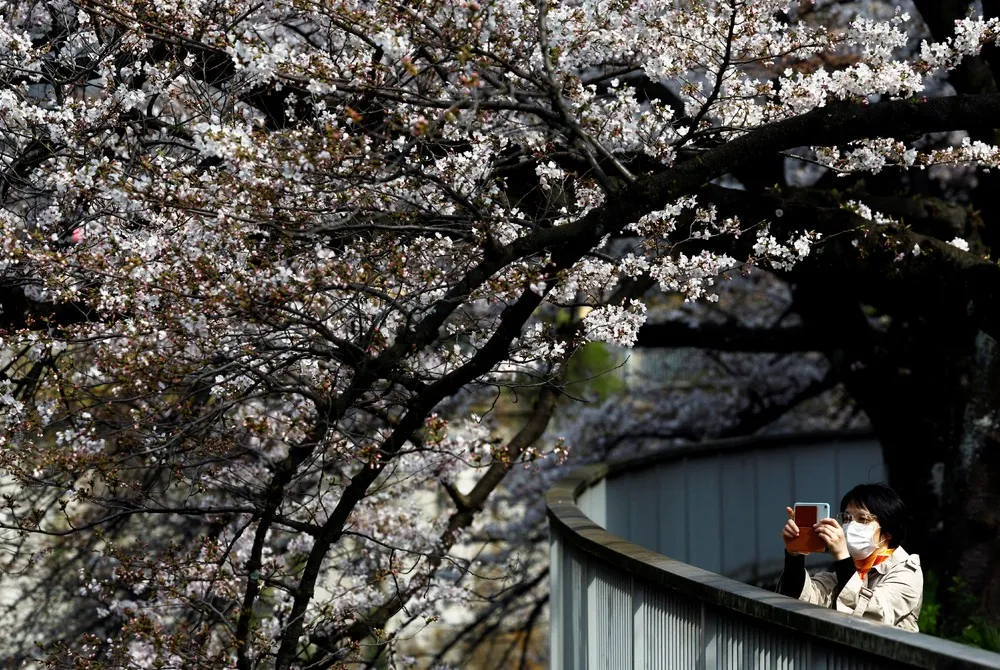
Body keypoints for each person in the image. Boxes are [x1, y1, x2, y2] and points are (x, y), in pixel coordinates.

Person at [777, 483, 923, 631]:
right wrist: (795, 554)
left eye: (863, 519)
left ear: (888, 531)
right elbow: (798, 599)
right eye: (847, 518)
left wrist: (842, 556)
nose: (850, 526)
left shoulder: (906, 573)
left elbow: (875, 616)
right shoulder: (844, 571)